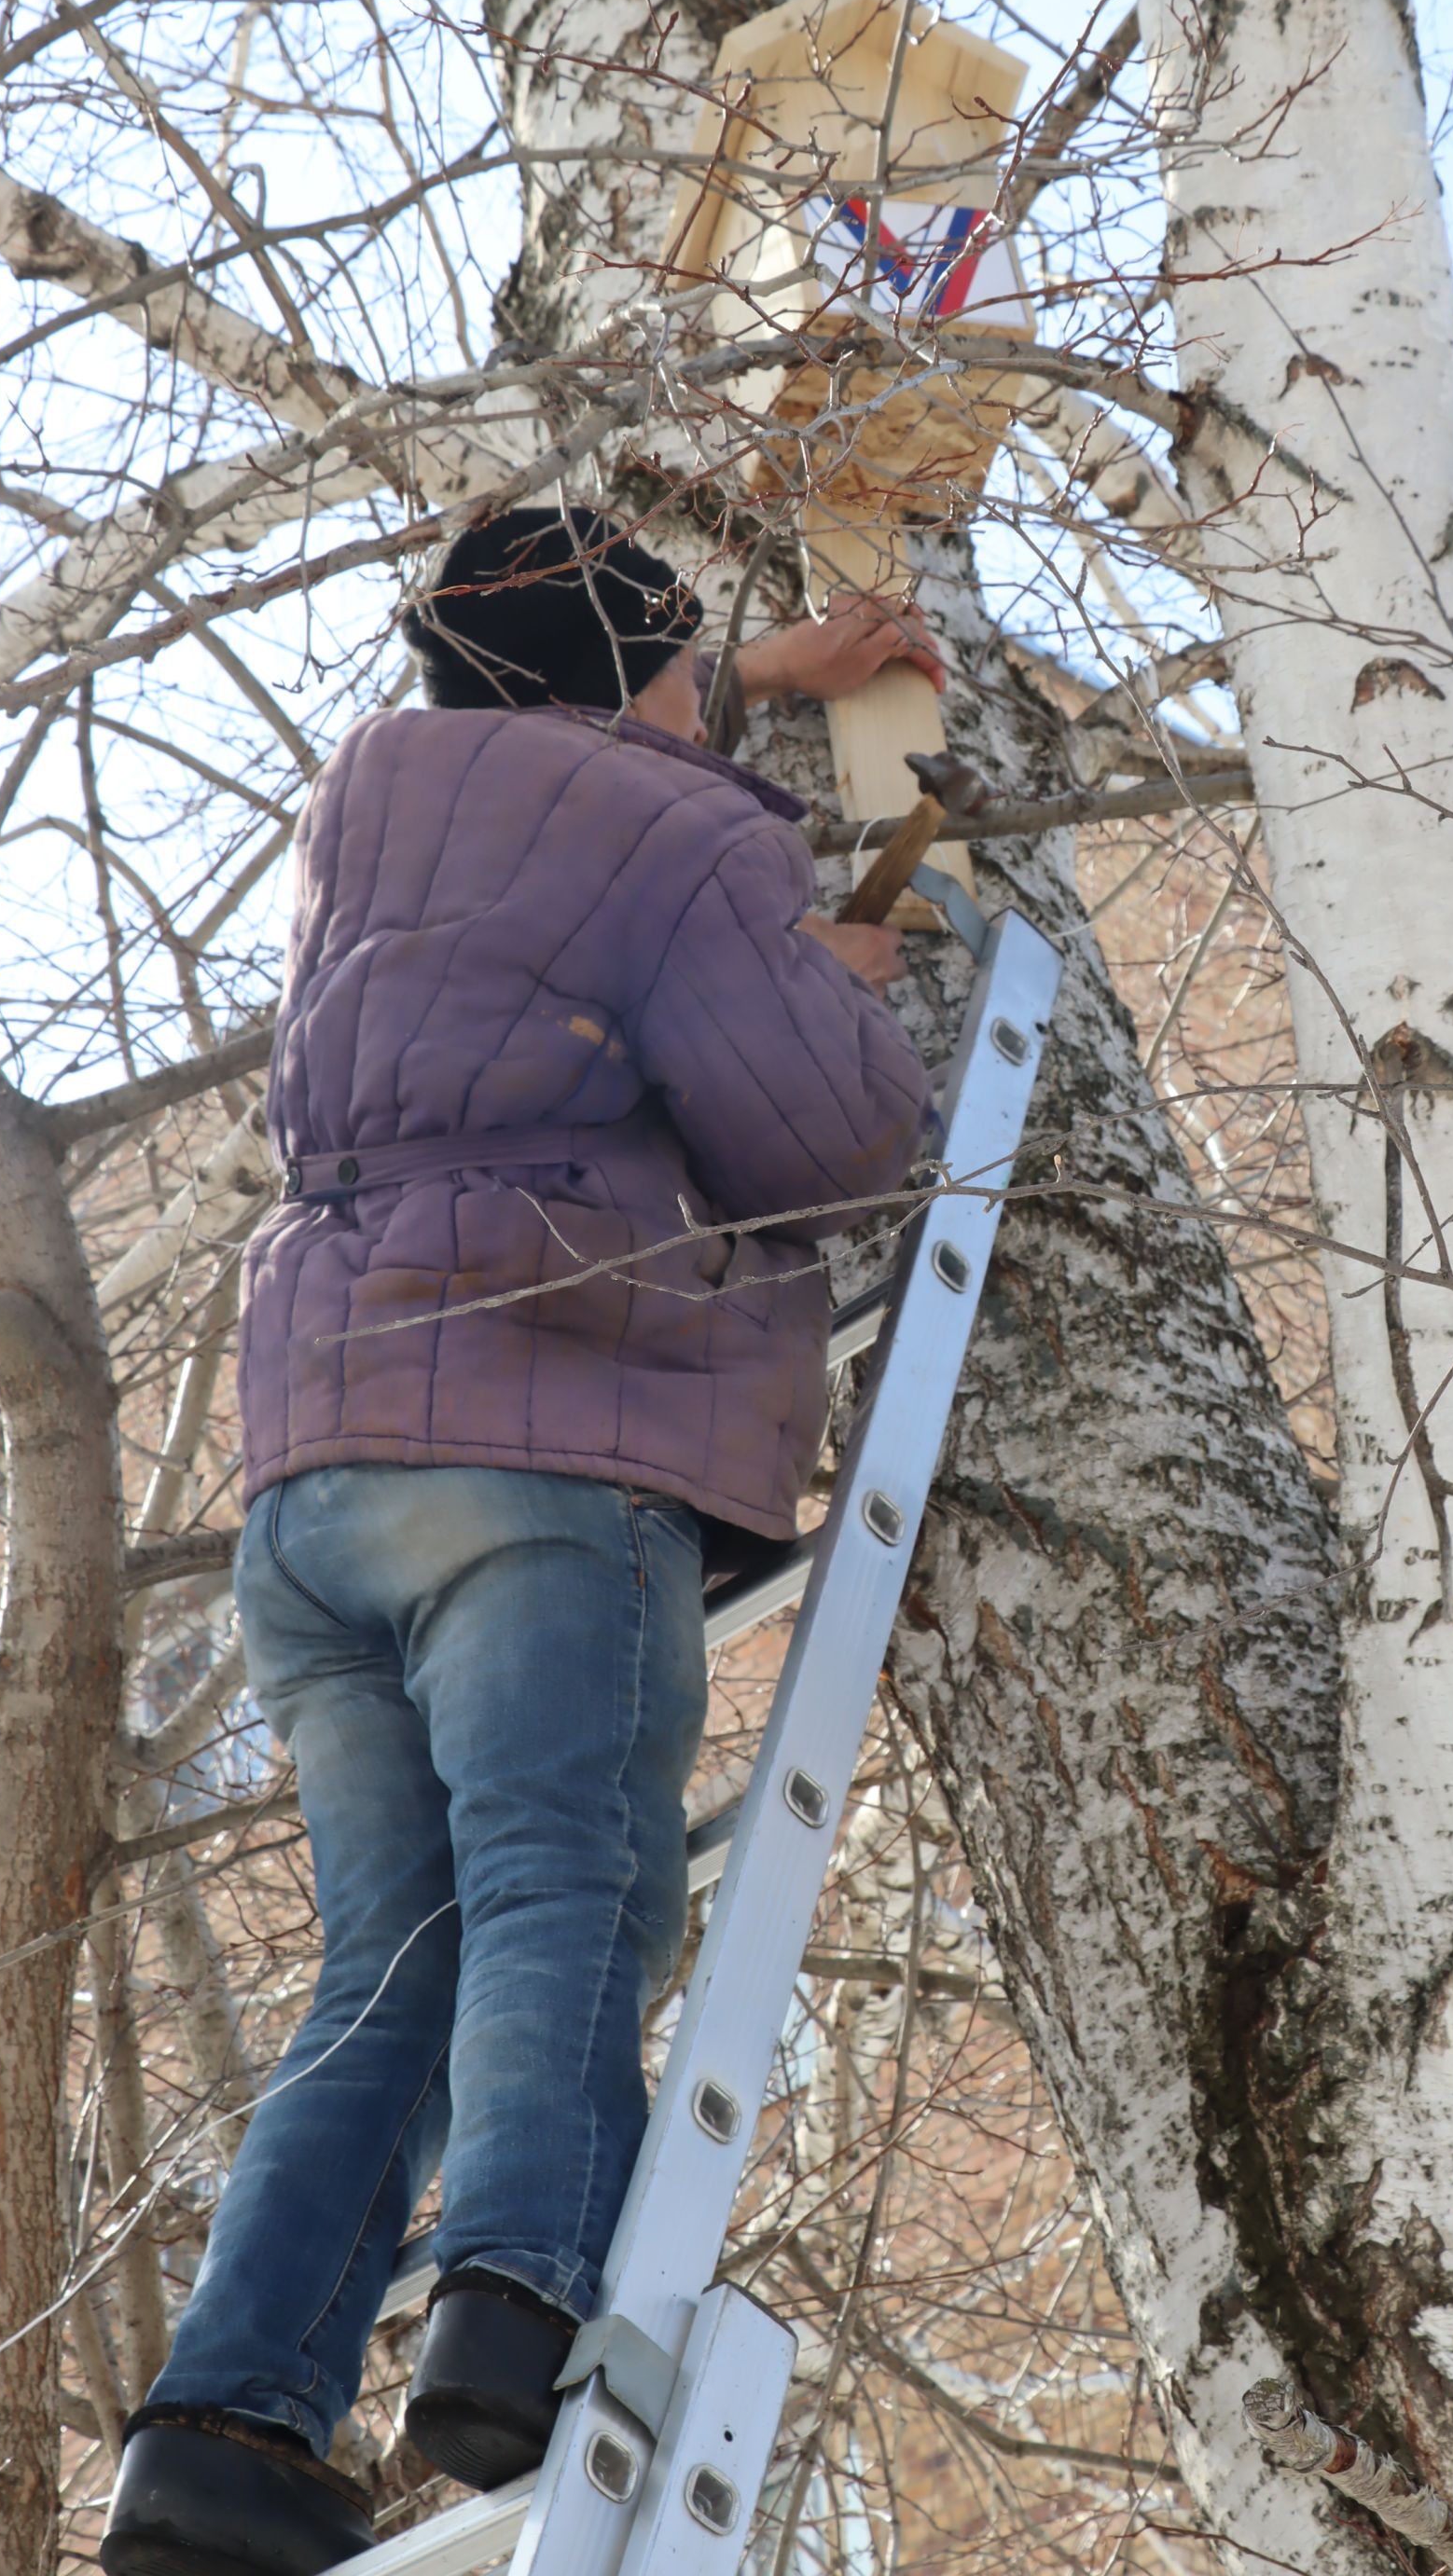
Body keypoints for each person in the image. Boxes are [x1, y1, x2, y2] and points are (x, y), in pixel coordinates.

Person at [101, 507, 938, 2576]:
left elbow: (566, 731)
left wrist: (744, 672)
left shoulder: (373, 804)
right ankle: (522, 2303)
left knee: (385, 1968)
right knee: (573, 1875)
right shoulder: (680, 835)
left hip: (316, 1466)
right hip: (537, 1433)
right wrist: (845, 978)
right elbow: (825, 1136)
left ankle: (224, 2436)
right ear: (644, 677)